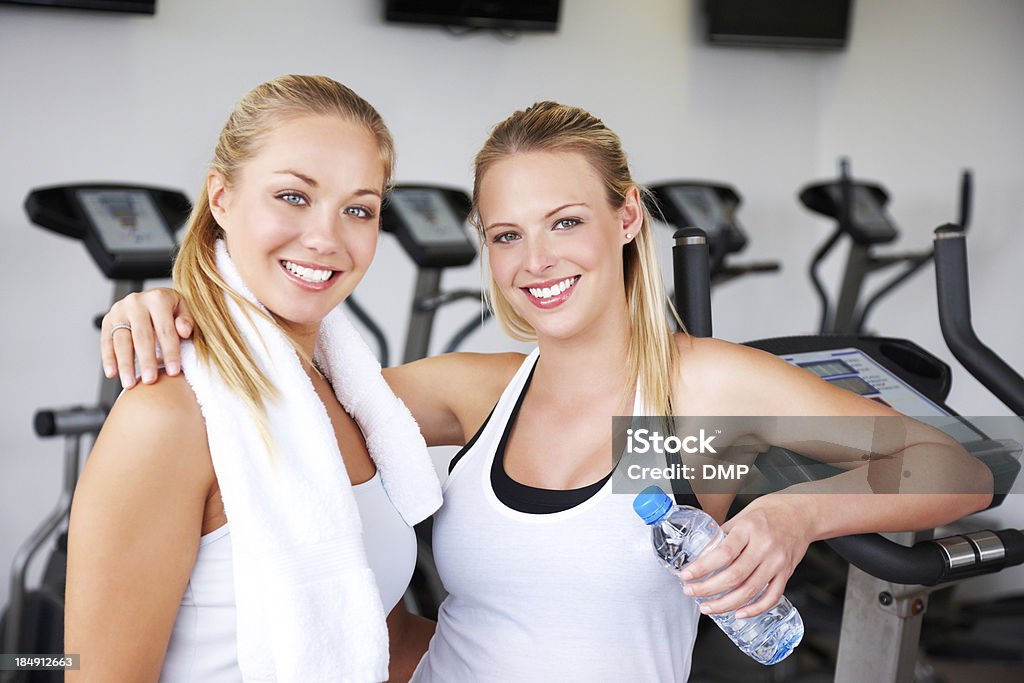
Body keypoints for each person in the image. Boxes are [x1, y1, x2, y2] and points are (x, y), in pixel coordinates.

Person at [101, 101, 993, 681]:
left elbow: (956, 465)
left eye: (566, 221)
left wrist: (795, 514)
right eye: (506, 234)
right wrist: (187, 303)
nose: (538, 262)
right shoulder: (479, 395)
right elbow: (285, 400)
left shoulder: (691, 400)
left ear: (626, 216)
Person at [65, 75, 442, 683]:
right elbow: (86, 671)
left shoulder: (357, 400)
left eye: (358, 209)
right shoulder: (168, 416)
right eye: (293, 196)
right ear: (221, 198)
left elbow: (378, 639)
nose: (326, 238)